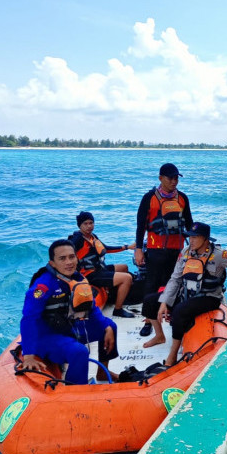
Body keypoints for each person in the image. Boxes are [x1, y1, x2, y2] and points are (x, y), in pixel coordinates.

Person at [143, 222, 227, 366]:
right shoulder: (186, 252)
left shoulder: (220, 255)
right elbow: (175, 279)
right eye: (190, 237)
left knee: (179, 312)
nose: (191, 241)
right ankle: (159, 336)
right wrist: (164, 302)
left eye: (195, 237)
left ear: (206, 239)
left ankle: (173, 354)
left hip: (209, 297)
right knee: (149, 301)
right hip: (187, 294)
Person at [20, 239, 119, 384]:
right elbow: (28, 319)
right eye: (62, 258)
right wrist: (28, 355)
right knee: (79, 351)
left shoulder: (77, 279)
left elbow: (91, 307)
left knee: (110, 326)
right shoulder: (43, 286)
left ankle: (102, 373)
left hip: (68, 328)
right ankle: (76, 389)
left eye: (72, 257)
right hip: (46, 336)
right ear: (52, 263)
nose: (69, 262)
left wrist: (105, 325)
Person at [135, 163, 193, 346]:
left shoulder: (182, 198)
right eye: (170, 178)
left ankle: (171, 316)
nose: (174, 181)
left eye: (176, 178)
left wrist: (193, 248)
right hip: (155, 250)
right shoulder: (149, 198)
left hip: (176, 251)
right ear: (160, 178)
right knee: (151, 285)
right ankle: (148, 320)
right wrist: (138, 249)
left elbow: (190, 225)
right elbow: (140, 226)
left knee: (173, 284)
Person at [68, 211, 135, 318]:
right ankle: (118, 310)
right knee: (127, 278)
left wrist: (127, 247)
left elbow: (106, 248)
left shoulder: (92, 236)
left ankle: (117, 294)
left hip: (100, 269)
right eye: (86, 224)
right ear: (79, 225)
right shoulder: (77, 240)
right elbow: (66, 252)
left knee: (124, 267)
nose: (89, 226)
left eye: (91, 223)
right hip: (90, 275)